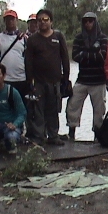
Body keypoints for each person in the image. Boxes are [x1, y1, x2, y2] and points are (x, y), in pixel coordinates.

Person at [25, 9, 70, 146]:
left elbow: (65, 58)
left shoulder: (58, 36)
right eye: (40, 20)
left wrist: (66, 78)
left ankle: (53, 135)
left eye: (46, 20)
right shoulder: (32, 39)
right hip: (38, 82)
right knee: (38, 110)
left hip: (55, 81)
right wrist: (29, 82)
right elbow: (28, 62)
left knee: (53, 109)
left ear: (51, 21)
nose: (42, 22)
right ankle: (39, 137)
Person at [65, 12, 108, 140]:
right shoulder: (78, 38)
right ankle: (71, 133)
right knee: (72, 105)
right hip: (82, 79)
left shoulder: (103, 38)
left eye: (91, 21)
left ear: (95, 22)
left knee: (99, 111)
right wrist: (92, 53)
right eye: (86, 21)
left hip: (98, 80)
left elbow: (102, 57)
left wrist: (85, 54)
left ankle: (97, 135)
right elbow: (75, 56)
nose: (88, 23)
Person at [0, 9, 28, 100]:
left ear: (17, 20)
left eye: (12, 19)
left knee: (21, 107)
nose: (10, 21)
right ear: (4, 21)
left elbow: (29, 59)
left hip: (21, 79)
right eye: (7, 19)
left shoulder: (25, 38)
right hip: (5, 79)